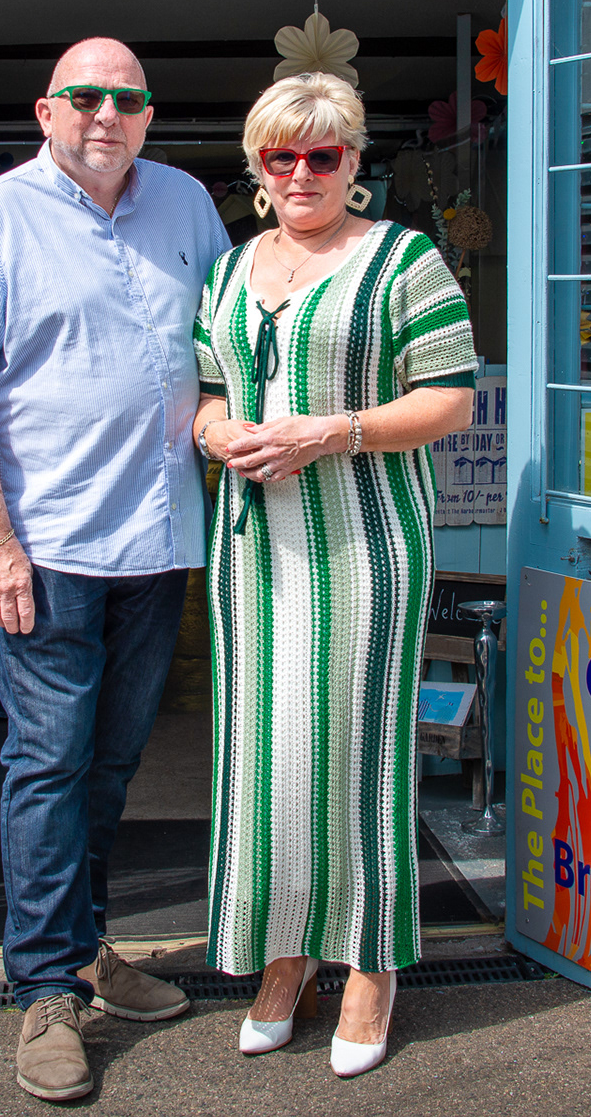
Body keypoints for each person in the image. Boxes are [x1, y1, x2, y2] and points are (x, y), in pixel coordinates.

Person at [0, 37, 230, 1103]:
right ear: (48, 109)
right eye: (88, 97)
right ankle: (45, 989)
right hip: (47, 547)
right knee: (48, 763)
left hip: (162, 541)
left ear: (149, 114)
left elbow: (227, 354)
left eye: (129, 99)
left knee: (109, 764)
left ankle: (90, 950)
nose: (108, 114)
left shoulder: (189, 203)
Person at [191, 73, 475, 1078]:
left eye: (324, 155)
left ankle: (372, 961)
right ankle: (285, 955)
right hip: (251, 548)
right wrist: (220, 432)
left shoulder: (405, 260)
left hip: (363, 541)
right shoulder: (229, 269)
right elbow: (210, 392)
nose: (302, 173)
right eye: (282, 156)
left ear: (356, 163)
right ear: (259, 168)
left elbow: (450, 400)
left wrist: (333, 432)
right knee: (263, 760)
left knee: (355, 752)